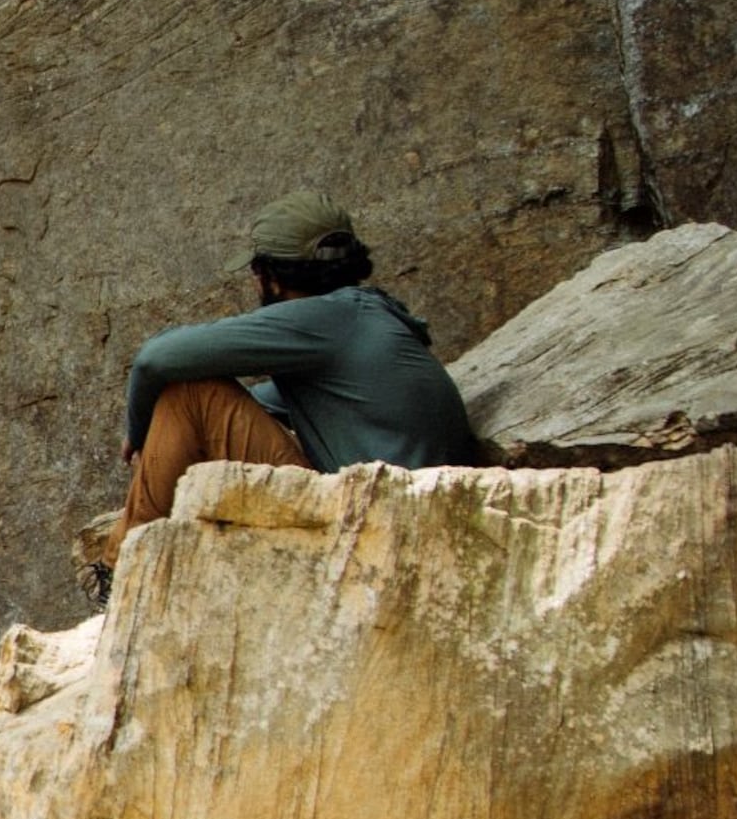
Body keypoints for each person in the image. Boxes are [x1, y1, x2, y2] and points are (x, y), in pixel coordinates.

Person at [101, 192, 479, 597]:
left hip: (377, 530)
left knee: (189, 391)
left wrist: (138, 434)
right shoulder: (369, 316)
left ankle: (120, 573)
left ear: (271, 278)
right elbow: (256, 407)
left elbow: (155, 359)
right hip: (417, 518)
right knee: (196, 402)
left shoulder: (325, 320)